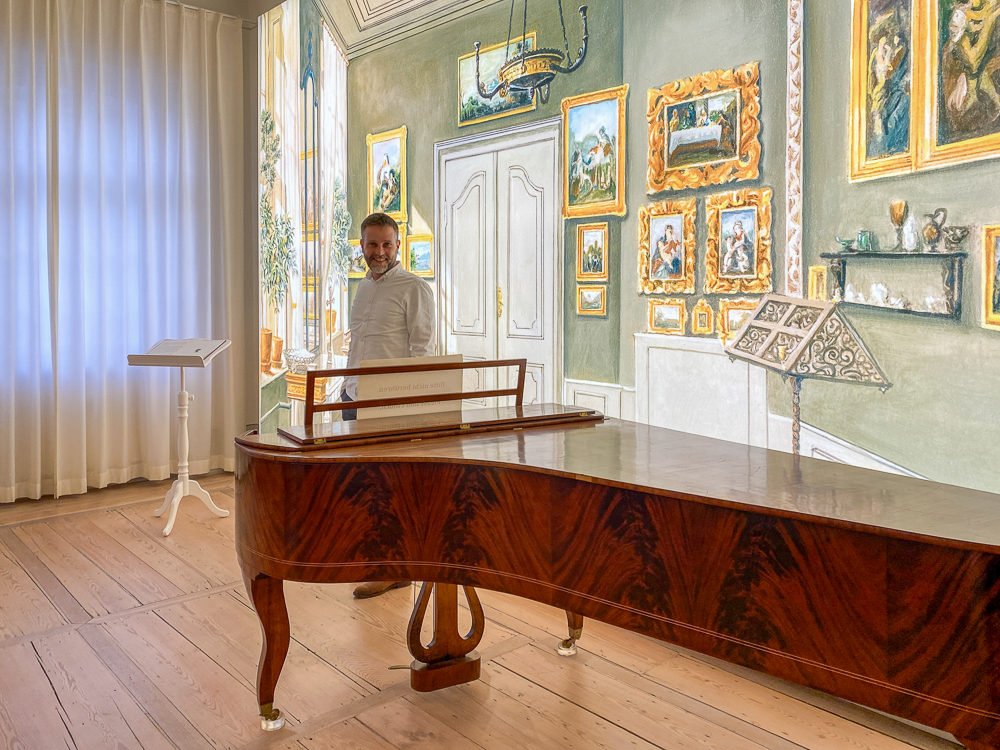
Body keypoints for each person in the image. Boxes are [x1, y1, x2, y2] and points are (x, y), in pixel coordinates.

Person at [340, 212, 435, 599]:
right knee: (363, 485)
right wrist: (345, 389)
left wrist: (410, 406)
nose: (379, 252)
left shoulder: (414, 288)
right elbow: (358, 343)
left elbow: (422, 351)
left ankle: (390, 568)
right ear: (362, 246)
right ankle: (383, 563)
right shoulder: (362, 287)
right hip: (353, 397)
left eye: (386, 244)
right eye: (372, 244)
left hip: (388, 405)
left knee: (386, 488)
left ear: (398, 246)